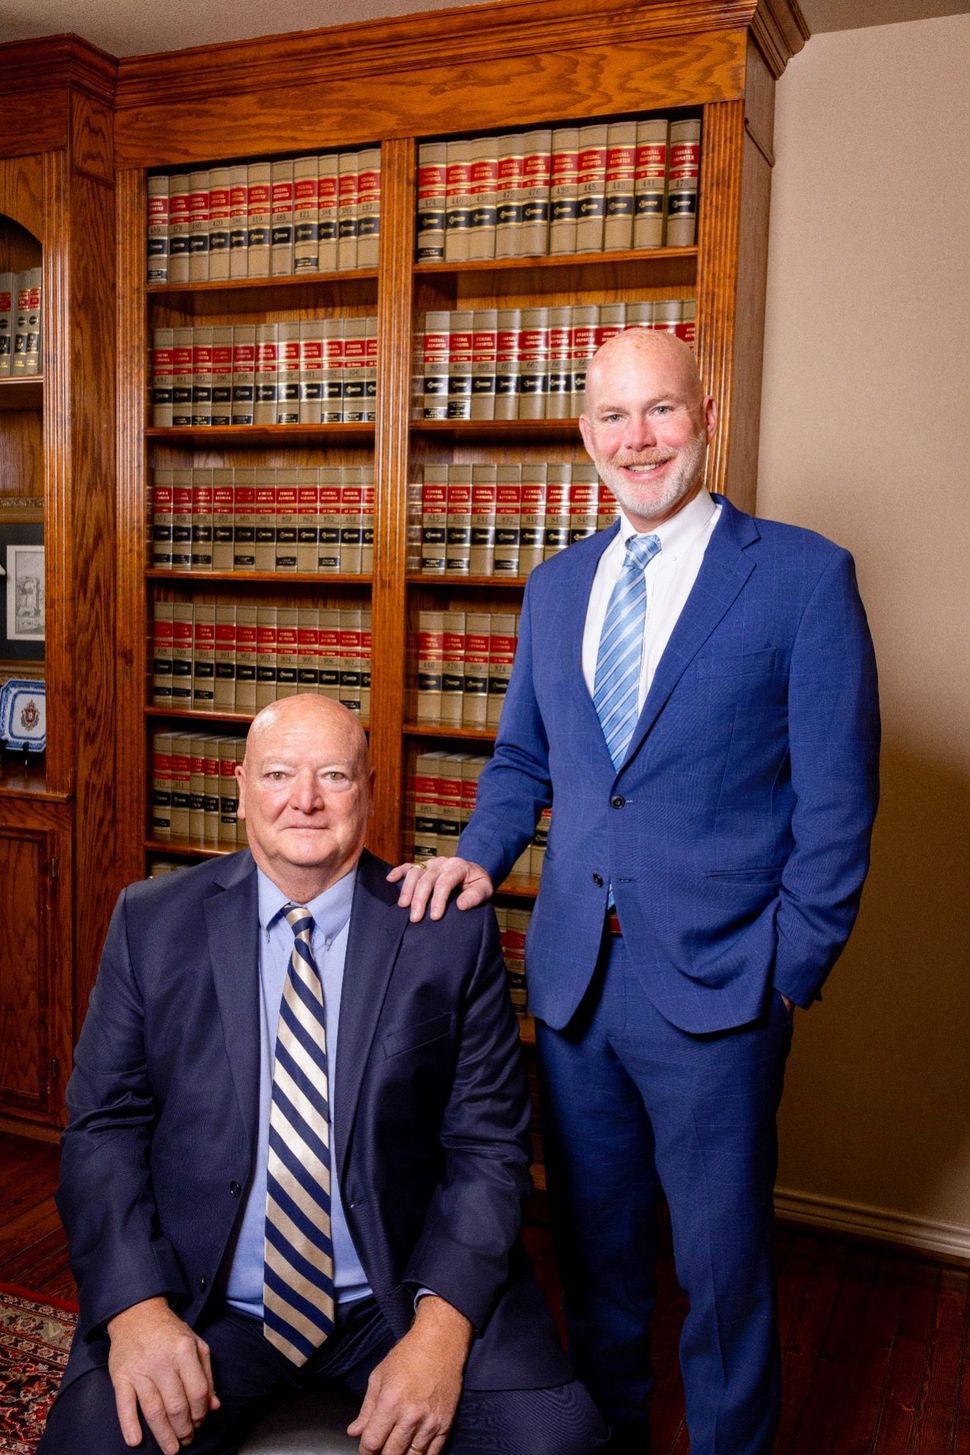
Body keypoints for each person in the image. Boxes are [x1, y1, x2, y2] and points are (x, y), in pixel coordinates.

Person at [390, 328, 880, 1454]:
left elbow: (839, 798)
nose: (638, 438)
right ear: (585, 437)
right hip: (572, 983)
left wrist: (789, 967)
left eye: (659, 411)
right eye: (613, 418)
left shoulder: (802, 575)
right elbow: (522, 760)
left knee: (720, 1276)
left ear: (704, 414)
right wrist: (476, 852)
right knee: (596, 1263)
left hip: (721, 985)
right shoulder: (558, 586)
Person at [41, 694, 606, 1455]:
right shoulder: (151, 921)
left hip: (397, 1291)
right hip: (211, 1302)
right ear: (239, 788)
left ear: (369, 789)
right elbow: (102, 1131)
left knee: (555, 1441)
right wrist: (139, 1309)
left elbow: (488, 1149)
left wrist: (439, 1332)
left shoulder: (445, 933)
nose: (304, 799)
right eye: (279, 773)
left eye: (333, 775)